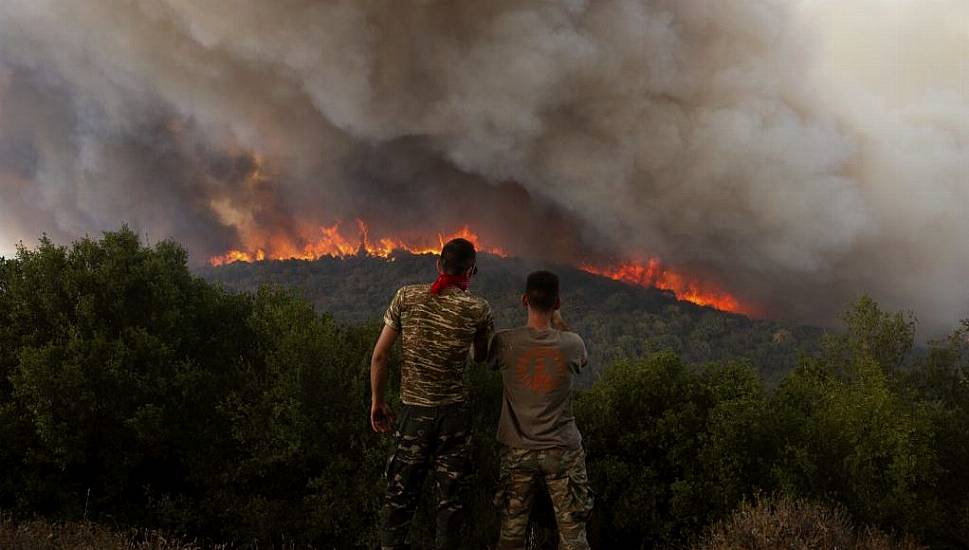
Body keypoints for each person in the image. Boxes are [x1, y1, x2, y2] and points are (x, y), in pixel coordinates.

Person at [370, 237, 494, 550]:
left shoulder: (406, 297)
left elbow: (380, 356)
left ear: (438, 264)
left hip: (413, 415)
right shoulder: (477, 309)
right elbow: (479, 358)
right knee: (450, 502)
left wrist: (377, 401)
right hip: (453, 418)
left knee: (399, 498)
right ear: (471, 271)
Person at [489, 270, 594, 550]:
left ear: (524, 300)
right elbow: (582, 360)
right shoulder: (572, 344)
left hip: (517, 453)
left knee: (511, 534)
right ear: (557, 303)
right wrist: (558, 321)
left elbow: (479, 356)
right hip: (562, 451)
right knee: (574, 536)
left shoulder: (504, 342)